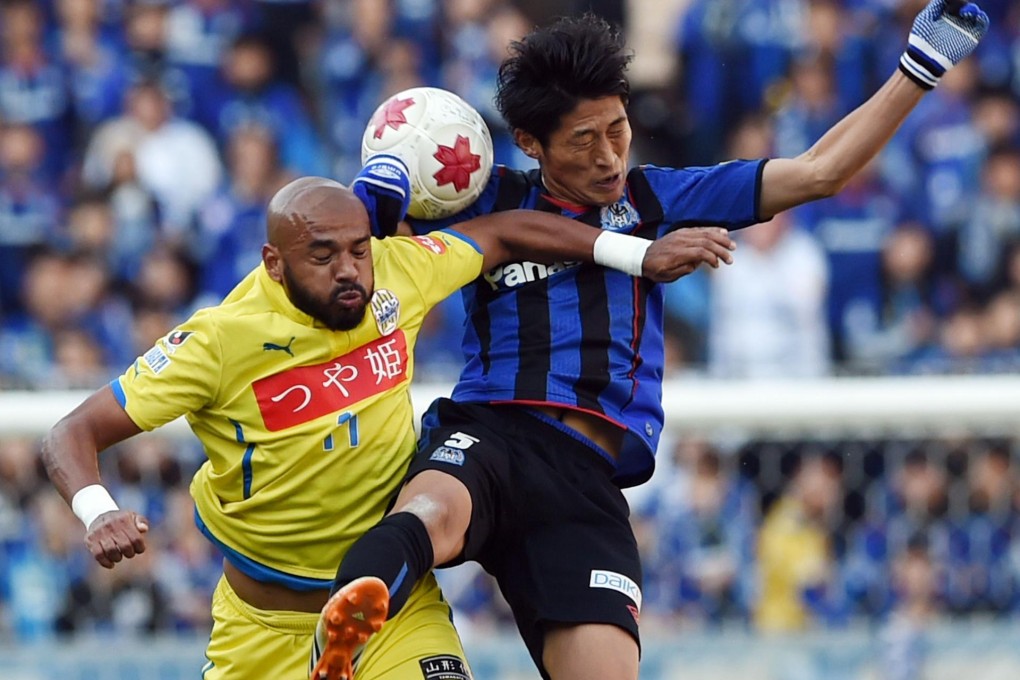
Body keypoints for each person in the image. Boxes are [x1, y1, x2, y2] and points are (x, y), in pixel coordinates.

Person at [317, 2, 990, 680]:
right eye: (583, 140)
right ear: (530, 142)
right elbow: (354, 249)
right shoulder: (482, 200)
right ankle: (343, 635)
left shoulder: (659, 199)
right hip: (494, 432)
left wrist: (918, 67)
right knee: (434, 508)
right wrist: (381, 192)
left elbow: (819, 171)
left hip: (586, 480)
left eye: (618, 128)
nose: (609, 156)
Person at [40, 175, 734, 680]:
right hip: (261, 630)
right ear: (273, 264)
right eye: (323, 256)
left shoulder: (395, 277)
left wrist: (636, 255)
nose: (350, 271)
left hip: (388, 609)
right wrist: (96, 511)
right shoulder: (217, 342)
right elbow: (72, 430)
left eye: (358, 250)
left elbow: (502, 233)